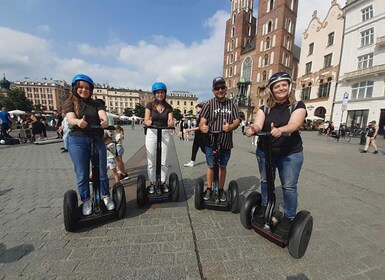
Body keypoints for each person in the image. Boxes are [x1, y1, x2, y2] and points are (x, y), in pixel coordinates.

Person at [245, 71, 307, 235]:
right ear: (272, 90)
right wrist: (253, 129)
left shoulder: (297, 105)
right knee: (265, 181)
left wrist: (282, 129)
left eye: (283, 85)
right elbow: (258, 123)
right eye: (277, 86)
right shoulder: (265, 107)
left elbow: (295, 123)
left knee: (288, 187)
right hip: (266, 151)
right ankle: (265, 206)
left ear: (289, 86)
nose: (280, 88)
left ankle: (290, 217)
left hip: (290, 154)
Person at [64, 74, 114, 216]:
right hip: (78, 140)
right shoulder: (70, 102)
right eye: (80, 87)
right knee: (82, 174)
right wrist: (78, 122)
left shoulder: (96, 103)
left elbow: (102, 116)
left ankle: (105, 196)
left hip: (96, 138)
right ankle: (86, 200)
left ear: (91, 90)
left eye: (87, 88)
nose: (83, 90)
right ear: (75, 88)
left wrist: (104, 121)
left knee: (102, 172)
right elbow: (70, 119)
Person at [199, 76, 240, 202]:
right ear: (213, 90)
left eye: (222, 87)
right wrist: (203, 127)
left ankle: (221, 189)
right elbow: (202, 122)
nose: (220, 90)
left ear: (226, 89)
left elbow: (237, 121)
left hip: (226, 142)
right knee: (211, 166)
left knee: (222, 166)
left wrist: (231, 126)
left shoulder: (232, 104)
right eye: (217, 88)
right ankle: (210, 188)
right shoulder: (208, 104)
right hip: (211, 142)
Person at [144, 82, 174, 194]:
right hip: (152, 132)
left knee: (164, 160)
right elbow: (146, 119)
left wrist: (171, 123)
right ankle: (152, 183)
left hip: (165, 132)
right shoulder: (149, 105)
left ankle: (162, 182)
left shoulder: (169, 107)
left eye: (162, 92)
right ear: (154, 94)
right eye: (157, 92)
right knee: (151, 159)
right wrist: (148, 122)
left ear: (165, 93)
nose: (160, 94)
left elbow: (170, 120)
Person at [184, 103, 206, 167]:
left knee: (204, 149)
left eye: (197, 108)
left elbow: (200, 127)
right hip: (197, 135)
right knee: (194, 148)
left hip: (201, 136)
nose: (196, 109)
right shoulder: (200, 116)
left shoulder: (203, 116)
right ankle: (192, 162)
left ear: (201, 108)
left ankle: (213, 158)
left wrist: (190, 129)